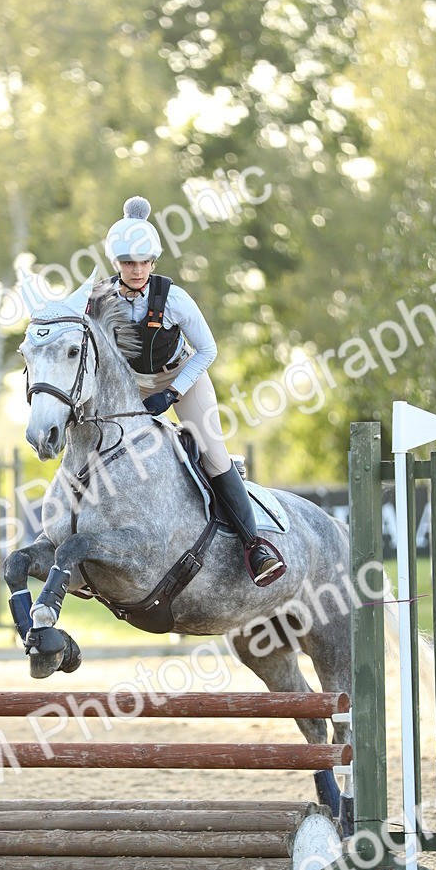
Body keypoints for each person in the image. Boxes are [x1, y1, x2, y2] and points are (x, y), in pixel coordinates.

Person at [102, 195, 285, 586]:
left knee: (212, 452)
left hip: (182, 375)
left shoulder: (174, 298)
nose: (136, 270)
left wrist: (172, 394)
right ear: (116, 264)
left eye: (143, 262)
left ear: (154, 262)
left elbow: (208, 350)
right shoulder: (98, 300)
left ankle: (255, 546)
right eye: (128, 263)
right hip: (131, 384)